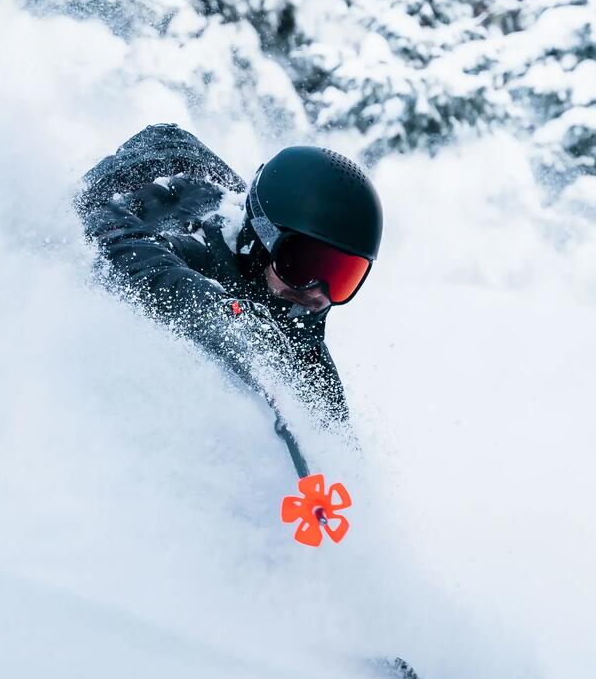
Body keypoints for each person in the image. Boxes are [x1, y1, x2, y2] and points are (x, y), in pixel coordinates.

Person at [77, 123, 382, 474]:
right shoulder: (195, 246)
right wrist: (216, 308)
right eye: (306, 265)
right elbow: (116, 243)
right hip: (139, 181)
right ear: (263, 240)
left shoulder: (298, 312)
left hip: (219, 184)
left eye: (342, 276)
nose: (317, 292)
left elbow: (336, 441)